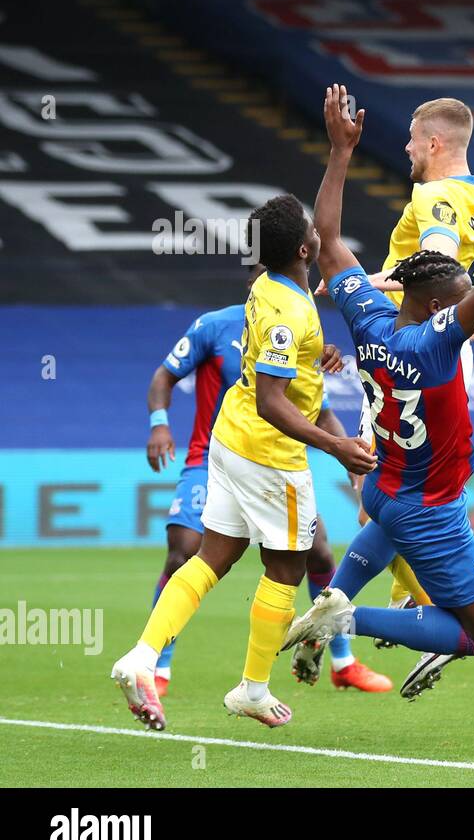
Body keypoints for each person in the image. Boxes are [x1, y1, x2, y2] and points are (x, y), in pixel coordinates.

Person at [280, 85, 474, 700]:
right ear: (443, 303)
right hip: (427, 460)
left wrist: (339, 154)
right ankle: (369, 614)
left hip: (387, 458)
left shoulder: (369, 318)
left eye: (411, 139)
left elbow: (327, 240)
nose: (407, 148)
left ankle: (346, 598)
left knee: (394, 498)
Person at [111, 193, 378, 731]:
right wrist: (337, 447)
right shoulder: (291, 309)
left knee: (211, 558)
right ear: (305, 248)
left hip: (228, 442)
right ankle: (252, 689)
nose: (320, 231)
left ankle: (141, 657)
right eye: (311, 231)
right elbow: (272, 401)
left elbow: (319, 232)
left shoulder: (267, 287)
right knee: (287, 566)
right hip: (269, 455)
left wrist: (340, 150)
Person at [144, 264, 390, 696]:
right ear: (256, 281)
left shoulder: (297, 322)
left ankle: (342, 661)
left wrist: (348, 456)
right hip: (216, 455)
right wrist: (160, 424)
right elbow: (165, 375)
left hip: (277, 461)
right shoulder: (215, 325)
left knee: (317, 555)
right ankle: (159, 666)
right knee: (185, 551)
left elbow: (320, 407)